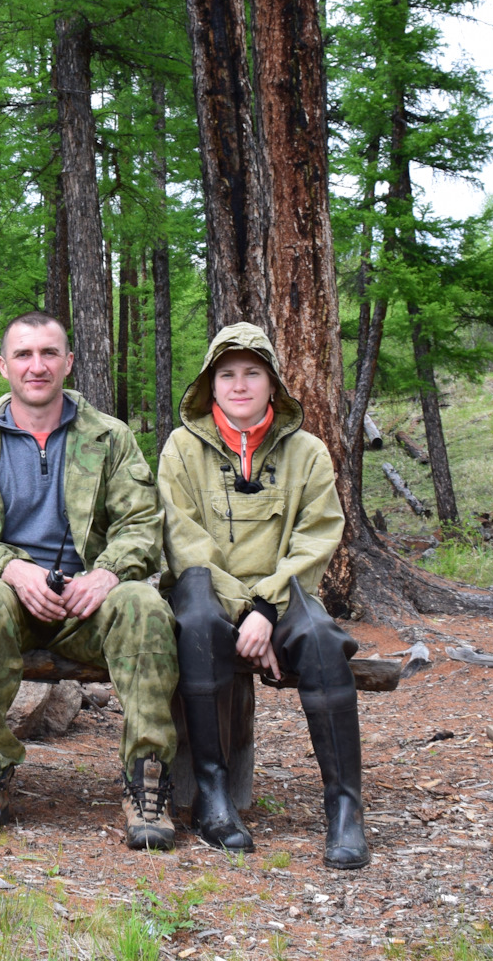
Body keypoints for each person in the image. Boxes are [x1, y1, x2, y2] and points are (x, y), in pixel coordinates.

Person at [0, 310, 180, 849]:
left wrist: (107, 572)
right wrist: (11, 568)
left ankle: (147, 779)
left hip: (89, 607)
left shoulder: (108, 438)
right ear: (3, 365)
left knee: (142, 602)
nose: (37, 365)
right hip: (10, 603)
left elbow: (142, 525)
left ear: (68, 363)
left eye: (49, 353)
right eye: (23, 354)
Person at [159, 323, 365, 868]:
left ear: (273, 382)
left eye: (253, 373)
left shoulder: (309, 452)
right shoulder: (182, 449)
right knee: (197, 624)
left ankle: (345, 809)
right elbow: (184, 543)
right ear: (211, 384)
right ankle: (214, 797)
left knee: (323, 641)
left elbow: (317, 536)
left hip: (286, 594)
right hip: (211, 593)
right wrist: (243, 610)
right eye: (227, 374)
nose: (240, 384)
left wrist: (265, 611)